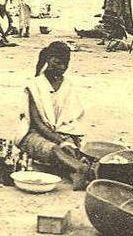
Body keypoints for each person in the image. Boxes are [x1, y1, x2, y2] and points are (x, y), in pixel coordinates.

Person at [16, 42, 92, 190]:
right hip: (35, 134)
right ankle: (80, 169)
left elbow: (72, 118)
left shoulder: (68, 86)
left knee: (72, 151)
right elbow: (37, 123)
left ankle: (76, 171)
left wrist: (68, 140)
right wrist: (61, 142)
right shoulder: (35, 85)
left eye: (66, 64)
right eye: (57, 63)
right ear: (48, 60)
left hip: (63, 132)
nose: (62, 68)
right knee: (55, 150)